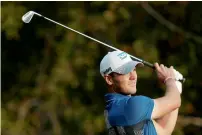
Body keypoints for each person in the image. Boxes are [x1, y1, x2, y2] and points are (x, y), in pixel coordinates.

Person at [100, 50, 183, 135]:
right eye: (125, 72)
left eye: (134, 69)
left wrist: (176, 87)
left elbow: (164, 130)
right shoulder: (133, 106)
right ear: (109, 79)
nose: (133, 76)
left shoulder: (113, 109)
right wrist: (169, 79)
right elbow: (174, 101)